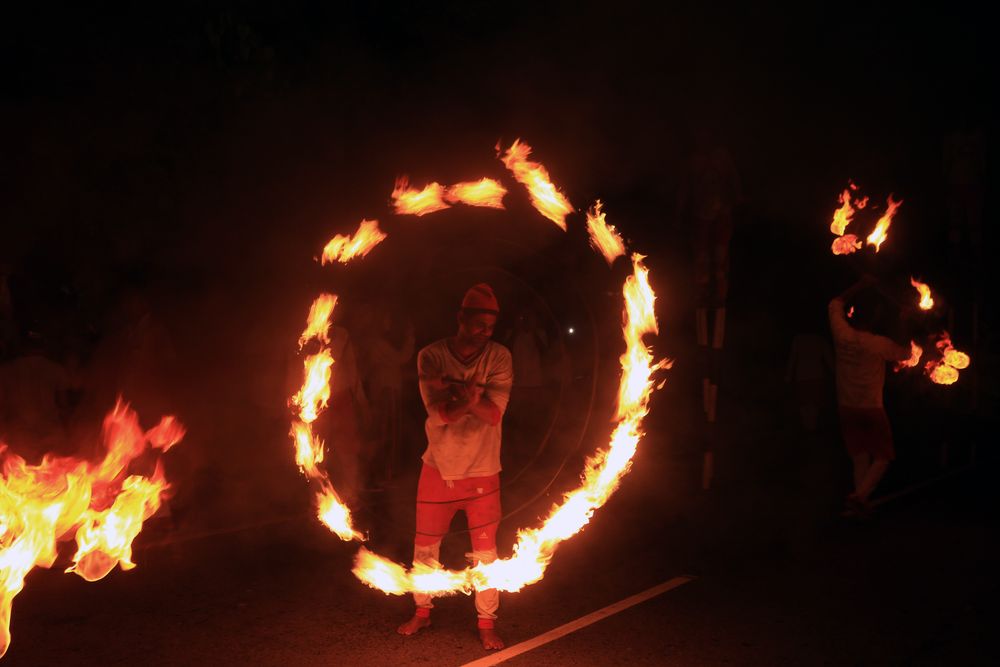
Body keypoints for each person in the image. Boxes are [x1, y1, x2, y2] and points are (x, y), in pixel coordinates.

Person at [396, 283, 513, 650]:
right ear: (461, 317)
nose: (485, 331)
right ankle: (422, 612)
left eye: (490, 325)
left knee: (486, 554)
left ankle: (486, 622)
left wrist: (466, 399)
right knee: (425, 548)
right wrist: (468, 400)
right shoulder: (430, 356)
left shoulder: (499, 357)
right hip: (438, 469)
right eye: (478, 323)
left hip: (483, 471)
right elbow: (440, 414)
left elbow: (493, 414)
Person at [828, 278, 910, 515]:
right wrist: (904, 322)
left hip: (846, 406)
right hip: (871, 408)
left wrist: (860, 284)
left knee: (859, 456)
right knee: (883, 457)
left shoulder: (841, 333)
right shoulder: (877, 344)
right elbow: (905, 353)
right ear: (874, 319)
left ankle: (857, 506)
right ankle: (859, 496)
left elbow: (834, 303)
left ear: (852, 315)